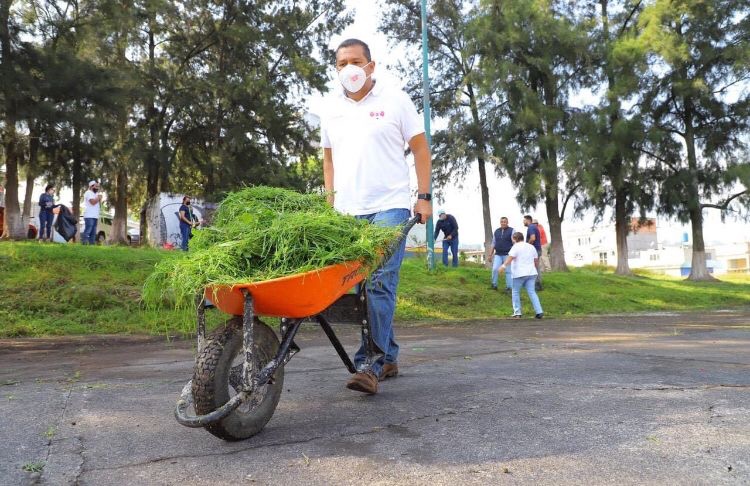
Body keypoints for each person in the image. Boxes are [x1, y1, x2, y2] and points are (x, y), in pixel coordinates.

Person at [321, 38, 432, 394]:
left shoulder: (395, 100)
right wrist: (329, 203)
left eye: (355, 61)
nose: (348, 69)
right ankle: (390, 354)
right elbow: (328, 159)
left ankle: (370, 363)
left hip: (391, 205)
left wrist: (424, 197)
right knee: (358, 285)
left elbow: (420, 148)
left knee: (379, 281)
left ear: (371, 65)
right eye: (341, 64)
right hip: (348, 211)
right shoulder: (330, 108)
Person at [498, 232, 544, 319]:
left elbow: (510, 258)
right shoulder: (531, 247)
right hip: (531, 273)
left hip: (519, 273)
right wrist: (535, 269)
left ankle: (517, 313)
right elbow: (536, 260)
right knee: (532, 292)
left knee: (515, 292)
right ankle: (539, 311)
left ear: (514, 239)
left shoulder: (515, 247)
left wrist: (503, 266)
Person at [489, 216, 514, 292]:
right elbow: (493, 243)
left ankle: (509, 287)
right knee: (495, 269)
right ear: (500, 222)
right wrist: (490, 255)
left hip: (507, 254)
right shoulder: (496, 231)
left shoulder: (512, 230)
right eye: (502, 222)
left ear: (507, 222)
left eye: (505, 222)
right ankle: (494, 285)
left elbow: (514, 242)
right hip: (498, 254)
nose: (503, 223)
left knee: (508, 271)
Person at [524, 215, 543, 290]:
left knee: (535, 267)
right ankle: (536, 284)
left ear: (528, 220)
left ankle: (537, 285)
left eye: (524, 220)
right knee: (535, 267)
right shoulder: (533, 227)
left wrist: (526, 246)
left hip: (534, 251)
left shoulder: (531, 227)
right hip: (536, 250)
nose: (523, 222)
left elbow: (532, 238)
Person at [82, 180, 103, 245]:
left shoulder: (96, 194)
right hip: (89, 215)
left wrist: (100, 199)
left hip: (95, 216)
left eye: (98, 186)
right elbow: (92, 202)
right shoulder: (88, 193)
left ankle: (92, 244)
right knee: (88, 230)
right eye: (96, 186)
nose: (97, 188)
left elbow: (99, 205)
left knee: (93, 232)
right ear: (91, 186)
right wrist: (98, 198)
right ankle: (84, 243)